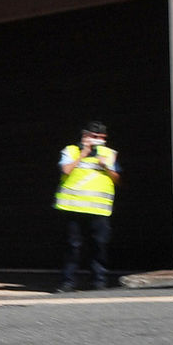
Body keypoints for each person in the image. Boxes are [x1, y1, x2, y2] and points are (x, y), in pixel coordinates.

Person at [53, 121, 120, 292]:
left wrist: (106, 167)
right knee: (73, 246)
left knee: (99, 245)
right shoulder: (70, 151)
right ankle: (68, 282)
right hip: (72, 207)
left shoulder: (109, 154)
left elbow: (117, 179)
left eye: (101, 138)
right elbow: (66, 170)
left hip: (98, 209)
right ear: (85, 136)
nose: (98, 140)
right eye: (94, 136)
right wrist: (83, 154)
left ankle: (99, 281)